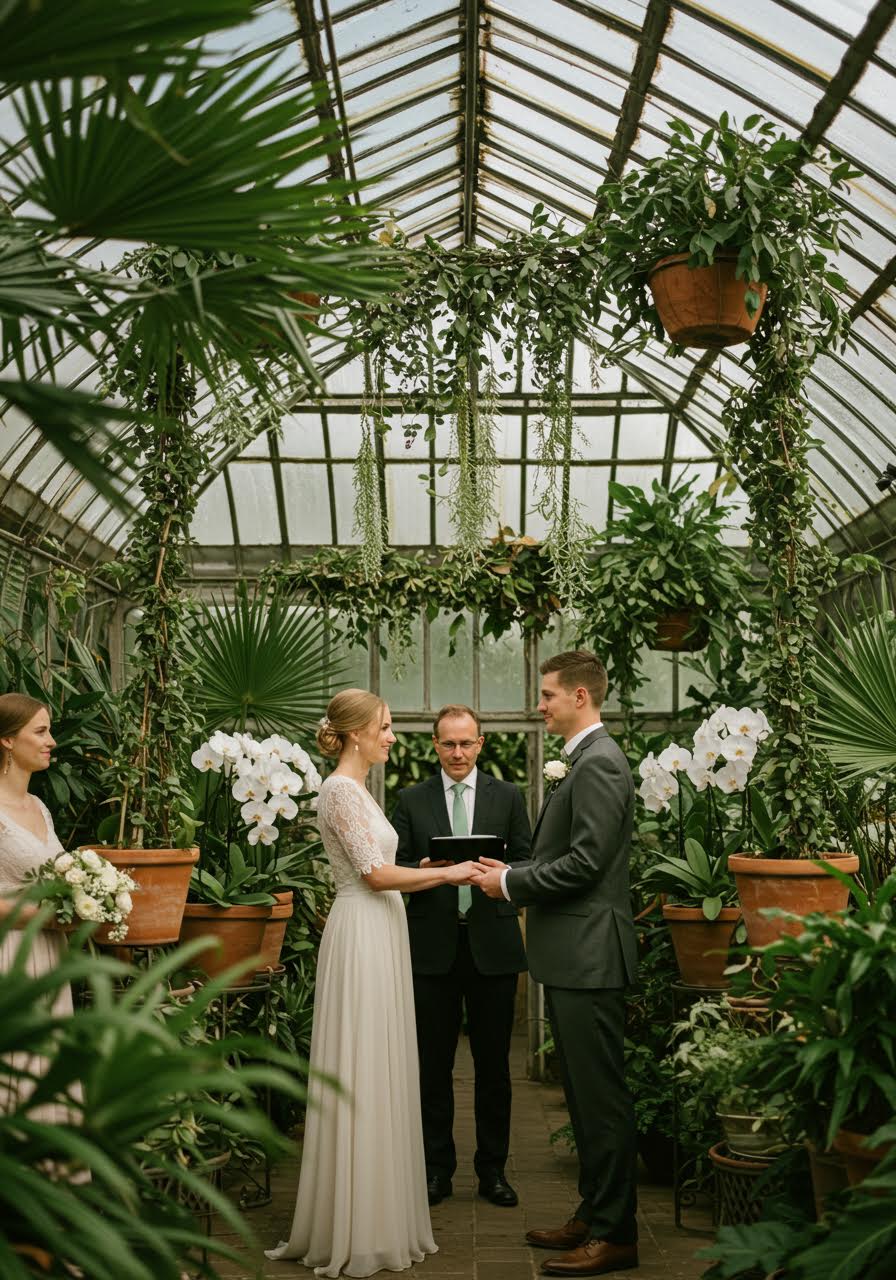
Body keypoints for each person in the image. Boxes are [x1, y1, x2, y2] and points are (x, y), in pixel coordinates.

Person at [267, 689, 484, 1278]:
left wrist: (426, 869)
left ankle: (381, 1214)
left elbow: (385, 868)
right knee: (362, 1064)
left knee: (384, 1064)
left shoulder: (360, 791)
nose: (392, 736)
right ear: (357, 733)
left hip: (382, 926)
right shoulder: (339, 790)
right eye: (385, 727)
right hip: (361, 931)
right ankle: (356, 1226)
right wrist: (450, 877)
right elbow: (370, 873)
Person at [477, 651, 640, 1278]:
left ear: (579, 696)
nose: (539, 705)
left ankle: (616, 1234)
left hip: (591, 956)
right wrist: (511, 873)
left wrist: (512, 883)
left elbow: (586, 864)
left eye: (547, 696)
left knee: (601, 1101)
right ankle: (594, 1213)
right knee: (581, 1094)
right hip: (575, 957)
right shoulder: (585, 760)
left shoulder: (599, 765)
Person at [392, 704, 531, 1210]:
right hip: (433, 949)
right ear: (434, 745)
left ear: (481, 744)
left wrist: (503, 870)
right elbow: (394, 865)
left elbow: (529, 859)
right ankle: (436, 1171)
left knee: (495, 1067)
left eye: (466, 743)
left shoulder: (508, 795)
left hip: (492, 945)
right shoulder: (411, 798)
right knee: (433, 1067)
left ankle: (493, 1173)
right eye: (448, 743)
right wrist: (424, 868)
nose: (457, 752)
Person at [0, 692, 76, 1120]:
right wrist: (45, 916)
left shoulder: (40, 809)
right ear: (8, 740)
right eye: (41, 731)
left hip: (49, 956)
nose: (51, 742)